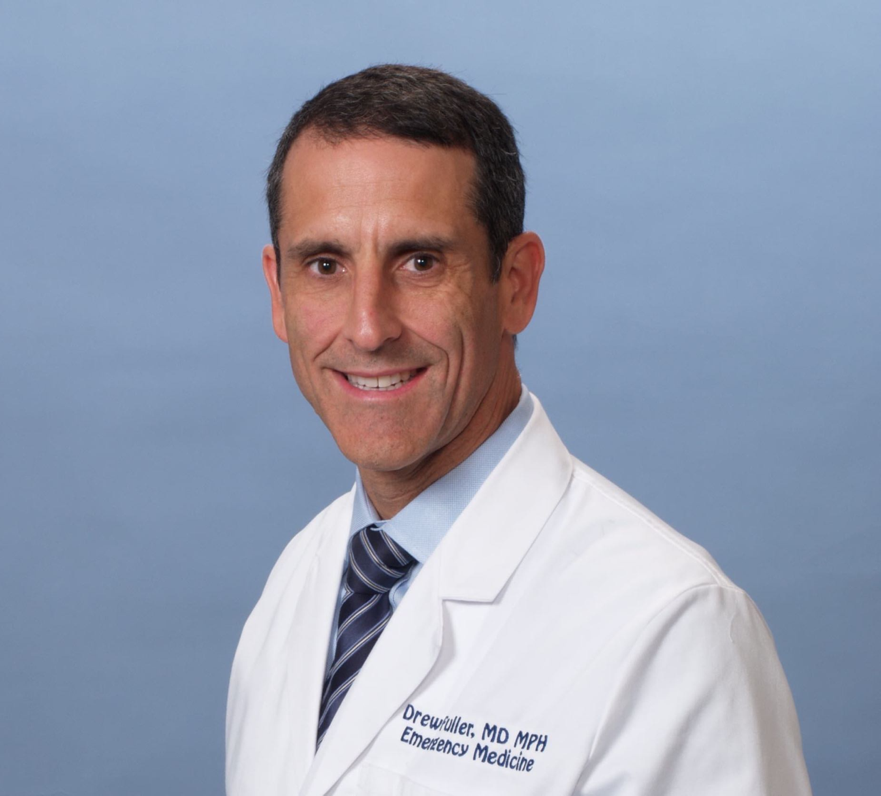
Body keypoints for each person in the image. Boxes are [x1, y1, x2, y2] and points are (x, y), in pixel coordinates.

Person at [226, 64, 812, 796]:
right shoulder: (299, 582)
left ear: (517, 284)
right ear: (278, 292)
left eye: (420, 262)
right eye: (325, 265)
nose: (368, 327)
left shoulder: (671, 630)